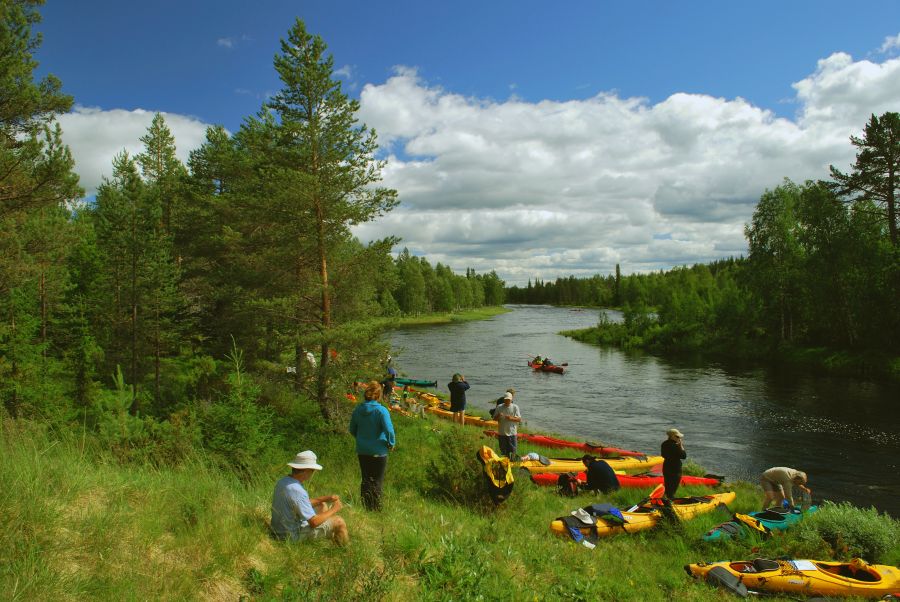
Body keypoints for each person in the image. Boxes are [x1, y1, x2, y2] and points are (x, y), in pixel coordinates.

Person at [271, 450, 348, 544]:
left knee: (322, 505)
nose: (313, 473)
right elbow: (314, 522)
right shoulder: (298, 490)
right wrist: (334, 509)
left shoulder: (283, 481)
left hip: (278, 531)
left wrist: (325, 499)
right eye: (312, 470)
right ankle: (344, 549)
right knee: (339, 522)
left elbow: (300, 502)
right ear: (307, 470)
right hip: (290, 537)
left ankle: (327, 534)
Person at [349, 381, 396, 511]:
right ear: (379, 395)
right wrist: (391, 443)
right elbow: (389, 430)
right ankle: (376, 509)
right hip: (378, 451)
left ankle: (365, 506)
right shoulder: (381, 411)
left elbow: (352, 429)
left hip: (362, 450)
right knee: (377, 480)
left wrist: (362, 439)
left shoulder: (358, 409)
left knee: (366, 479)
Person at [493, 391, 522, 458]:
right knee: (504, 452)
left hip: (512, 433)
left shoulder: (515, 407)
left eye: (508, 400)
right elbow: (494, 419)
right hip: (502, 433)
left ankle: (513, 463)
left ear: (511, 399)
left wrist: (511, 418)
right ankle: (505, 464)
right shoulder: (499, 407)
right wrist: (498, 416)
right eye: (506, 399)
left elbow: (519, 419)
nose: (507, 401)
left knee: (513, 451)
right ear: (504, 399)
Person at [661, 428, 686, 499]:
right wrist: (681, 445)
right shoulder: (676, 446)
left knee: (668, 486)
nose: (679, 438)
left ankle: (665, 499)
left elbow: (663, 455)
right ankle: (670, 502)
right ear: (672, 436)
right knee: (673, 488)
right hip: (675, 469)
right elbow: (684, 456)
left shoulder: (664, 444)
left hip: (666, 466)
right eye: (677, 437)